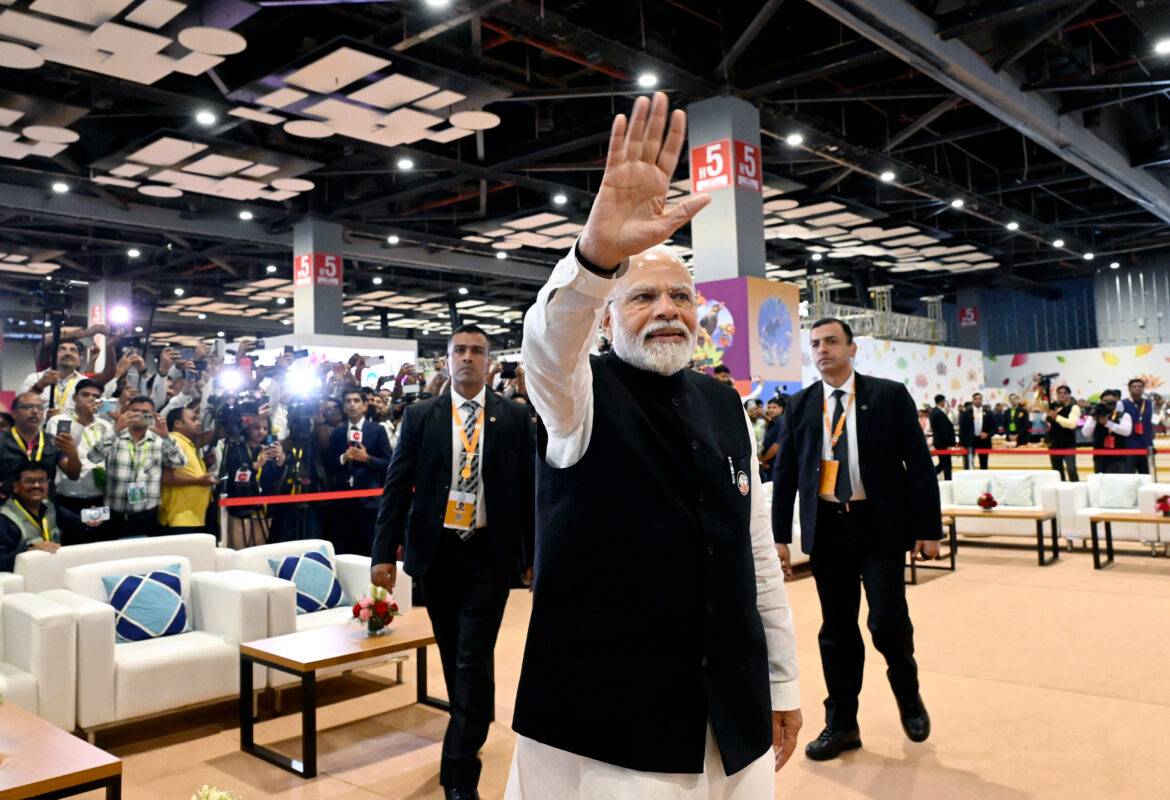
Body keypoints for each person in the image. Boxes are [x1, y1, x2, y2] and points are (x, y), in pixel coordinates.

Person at [505, 93, 800, 799]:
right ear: (607, 321)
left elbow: (755, 553)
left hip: (731, 706)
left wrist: (783, 680)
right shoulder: (577, 397)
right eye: (642, 297)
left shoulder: (725, 404)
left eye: (681, 296)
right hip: (614, 721)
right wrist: (598, 257)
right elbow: (547, 347)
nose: (667, 308)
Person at [372, 324, 535, 800]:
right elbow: (396, 486)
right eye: (459, 350)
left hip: (489, 554)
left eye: (477, 351)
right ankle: (472, 723)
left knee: (470, 658)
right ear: (446, 359)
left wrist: (533, 555)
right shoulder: (420, 415)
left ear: (489, 362)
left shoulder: (514, 416)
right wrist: (383, 552)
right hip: (437, 554)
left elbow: (529, 490)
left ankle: (460, 775)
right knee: (456, 657)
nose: (467, 357)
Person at [773, 317, 940, 761]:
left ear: (852, 348)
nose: (822, 350)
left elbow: (918, 464)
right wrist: (779, 537)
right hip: (828, 530)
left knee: (887, 621)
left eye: (831, 341)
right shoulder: (801, 404)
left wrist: (928, 529)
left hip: (879, 526)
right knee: (837, 631)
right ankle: (842, 723)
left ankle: (908, 694)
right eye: (815, 344)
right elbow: (785, 473)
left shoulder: (888, 395)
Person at [87, 396, 186, 537]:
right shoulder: (113, 435)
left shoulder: (160, 440)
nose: (139, 415)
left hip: (148, 515)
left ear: (153, 415)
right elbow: (93, 457)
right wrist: (116, 430)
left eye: (145, 412)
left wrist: (165, 437)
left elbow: (179, 462)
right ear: (126, 412)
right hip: (114, 515)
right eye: (134, 411)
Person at [326, 388, 391, 555]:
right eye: (348, 401)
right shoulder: (337, 433)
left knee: (371, 548)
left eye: (356, 400)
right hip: (343, 499)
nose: (352, 404)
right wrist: (343, 458)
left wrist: (367, 458)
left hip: (369, 499)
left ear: (364, 405)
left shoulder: (377, 430)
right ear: (343, 407)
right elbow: (328, 466)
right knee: (345, 549)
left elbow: (388, 463)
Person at [0, 463, 99, 571]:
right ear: (15, 486)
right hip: (24, 575)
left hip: (53, 568)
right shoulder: (5, 518)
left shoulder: (49, 506)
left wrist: (89, 522)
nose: (36, 485)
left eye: (42, 480)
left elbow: (75, 523)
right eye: (29, 481)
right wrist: (28, 552)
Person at [53, 379, 114, 542]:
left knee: (99, 544)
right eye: (85, 394)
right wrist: (83, 420)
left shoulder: (105, 426)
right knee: (72, 545)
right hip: (69, 499)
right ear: (75, 398)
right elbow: (64, 449)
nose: (91, 399)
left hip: (99, 498)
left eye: (96, 396)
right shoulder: (60, 421)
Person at [0, 391, 81, 499]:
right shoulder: (2, 440)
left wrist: (72, 452)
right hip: (9, 503)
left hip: (45, 504)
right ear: (14, 413)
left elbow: (74, 475)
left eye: (40, 408)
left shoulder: (52, 441)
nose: (35, 411)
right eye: (28, 407)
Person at [221, 419, 283, 548]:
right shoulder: (237, 448)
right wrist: (257, 464)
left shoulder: (268, 450)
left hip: (264, 506)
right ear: (248, 428)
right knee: (239, 548)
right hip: (240, 506)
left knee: (260, 549)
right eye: (257, 427)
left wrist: (281, 461)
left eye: (265, 429)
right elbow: (235, 477)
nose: (261, 432)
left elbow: (276, 478)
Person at [159, 406, 217, 535]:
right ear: (178, 424)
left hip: (192, 516)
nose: (199, 423)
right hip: (179, 517)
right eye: (193, 419)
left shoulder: (187, 443)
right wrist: (198, 481)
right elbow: (165, 477)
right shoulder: (173, 441)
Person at [1082, 390, 1132, 474]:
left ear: (1116, 402)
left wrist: (1108, 423)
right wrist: (1094, 419)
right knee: (1100, 481)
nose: (1108, 403)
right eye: (1105, 401)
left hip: (1118, 457)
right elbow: (1085, 433)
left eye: (1111, 401)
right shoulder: (1095, 415)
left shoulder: (1123, 415)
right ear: (1101, 401)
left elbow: (1127, 431)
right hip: (1099, 457)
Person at [1045, 385, 1081, 482]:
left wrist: (1056, 417)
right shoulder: (1054, 406)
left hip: (1068, 443)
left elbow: (1072, 424)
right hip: (1054, 443)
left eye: (1065, 393)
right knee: (1057, 471)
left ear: (1069, 395)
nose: (1062, 395)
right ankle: (1060, 489)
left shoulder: (1074, 407)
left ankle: (1076, 487)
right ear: (1056, 394)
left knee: (1071, 469)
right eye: (1059, 393)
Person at [1122, 378, 1154, 474]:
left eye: (1140, 386)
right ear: (1129, 389)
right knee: (1129, 475)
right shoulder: (1123, 403)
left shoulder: (1149, 403)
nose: (1137, 388)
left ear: (1143, 388)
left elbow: (1151, 422)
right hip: (1128, 445)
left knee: (1146, 475)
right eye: (1134, 386)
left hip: (1146, 444)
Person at [958, 392, 994, 469]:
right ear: (972, 400)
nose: (978, 400)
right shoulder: (966, 413)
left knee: (984, 465)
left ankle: (984, 476)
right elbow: (962, 429)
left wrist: (987, 434)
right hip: (970, 442)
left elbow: (995, 428)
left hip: (984, 441)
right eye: (975, 399)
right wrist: (962, 444)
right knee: (969, 465)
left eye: (979, 399)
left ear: (982, 400)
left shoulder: (988, 413)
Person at [928, 394, 956, 480]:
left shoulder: (935, 412)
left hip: (940, 442)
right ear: (942, 401)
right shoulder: (938, 413)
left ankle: (931, 476)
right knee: (946, 464)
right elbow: (943, 430)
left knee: (943, 463)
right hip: (943, 443)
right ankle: (933, 477)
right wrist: (948, 443)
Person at [760, 397, 785, 482]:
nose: (771, 410)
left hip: (776, 466)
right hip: (769, 465)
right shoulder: (772, 423)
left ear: (781, 409)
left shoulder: (782, 422)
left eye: (774, 407)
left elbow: (777, 446)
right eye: (769, 407)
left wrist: (762, 461)